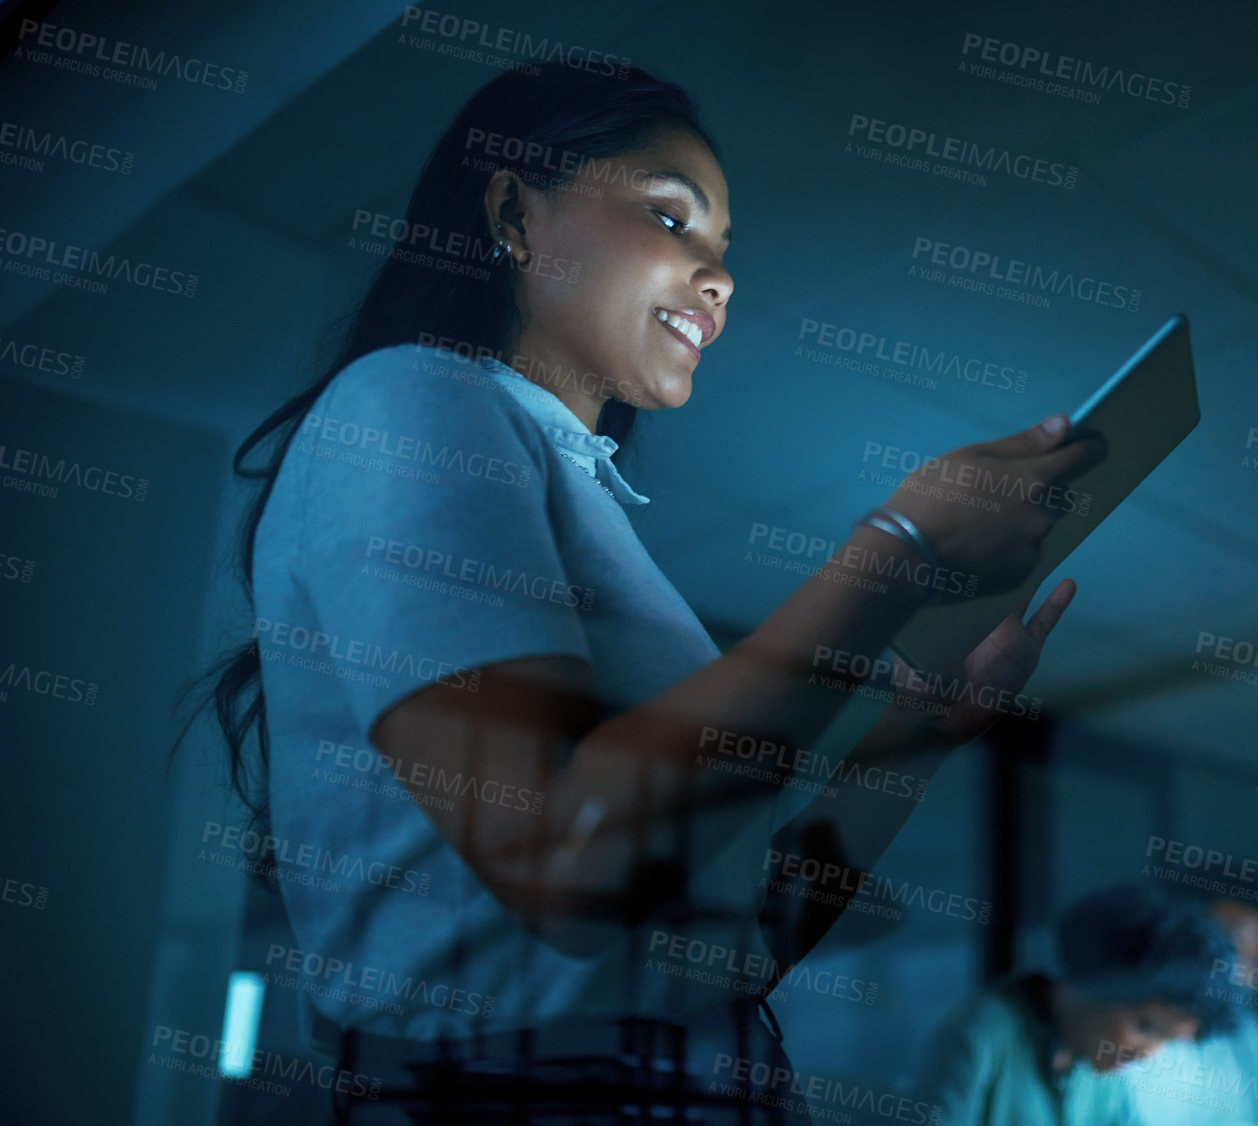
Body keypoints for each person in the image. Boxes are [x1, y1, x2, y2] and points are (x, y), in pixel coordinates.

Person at [188, 60, 1105, 1119]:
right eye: (671, 217)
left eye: (722, 252)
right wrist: (892, 551)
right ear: (511, 212)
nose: (716, 277)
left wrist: (921, 724)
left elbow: (739, 947)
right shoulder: (408, 395)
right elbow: (567, 861)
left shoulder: (582, 509)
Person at [921, 883, 1238, 1126]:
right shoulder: (981, 1038)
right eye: (1146, 1027)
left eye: (1166, 1039)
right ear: (1095, 981)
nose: (1147, 1053)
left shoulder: (1102, 1072)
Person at [1124, 888, 1258, 1125]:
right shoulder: (1135, 1034)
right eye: (1232, 955)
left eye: (1254, 962)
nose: (1246, 978)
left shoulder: (1251, 1033)